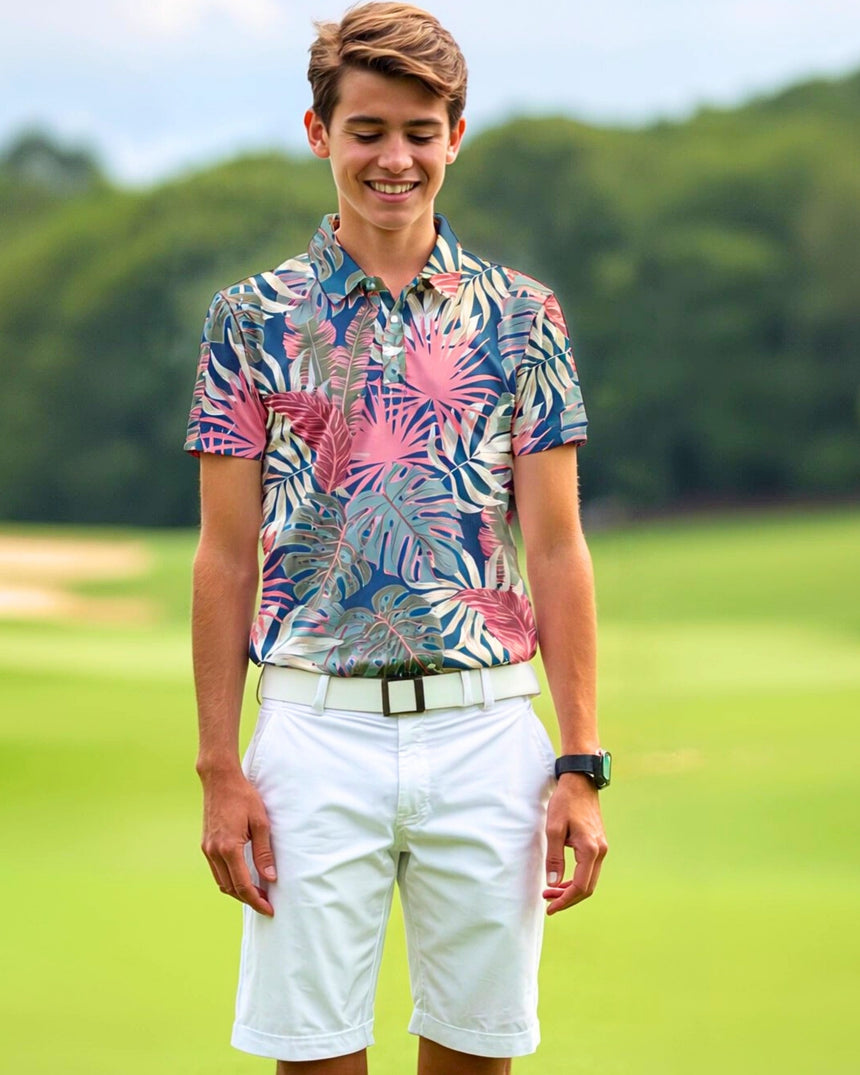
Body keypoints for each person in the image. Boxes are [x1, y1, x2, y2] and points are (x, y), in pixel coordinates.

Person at [185, 4, 609, 1073]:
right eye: (367, 129)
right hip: (311, 735)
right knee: (314, 1057)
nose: (394, 157)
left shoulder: (523, 316)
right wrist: (218, 766)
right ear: (318, 132)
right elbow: (224, 557)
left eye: (420, 131)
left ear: (454, 137)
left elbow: (554, 548)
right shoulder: (249, 320)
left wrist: (579, 760)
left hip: (486, 735)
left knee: (476, 1056)